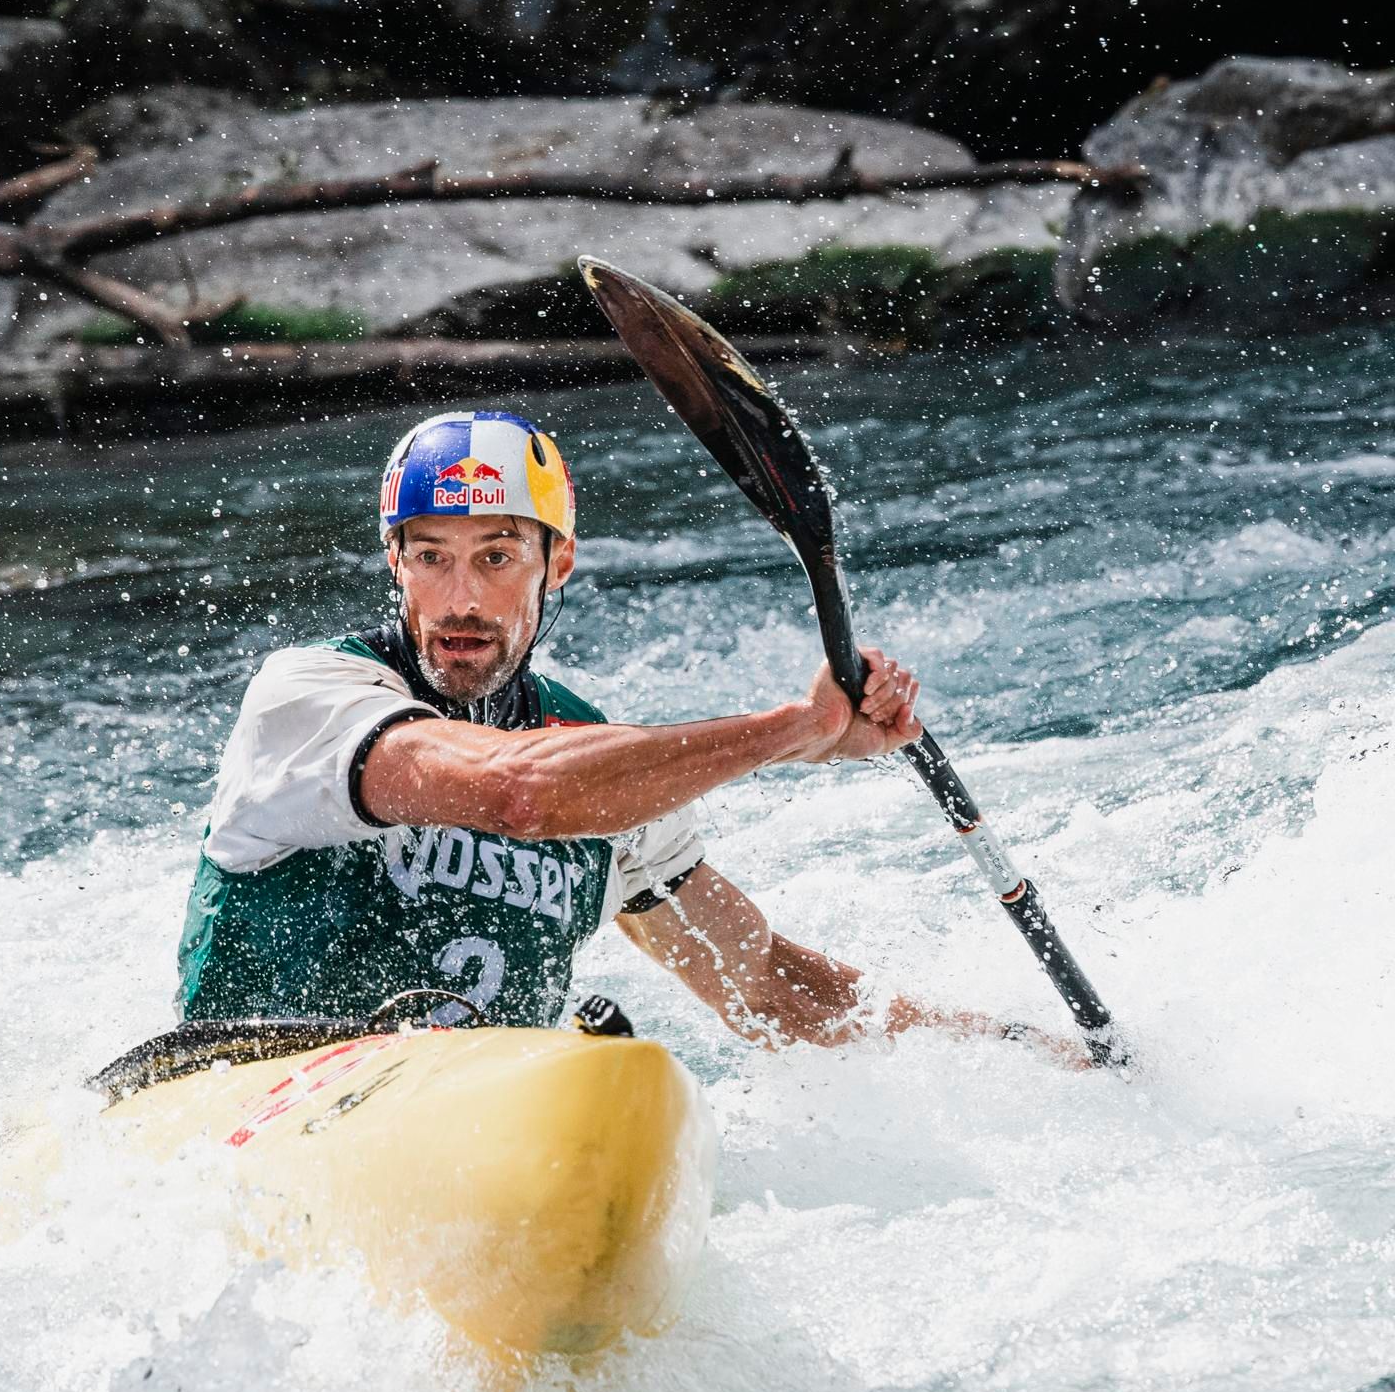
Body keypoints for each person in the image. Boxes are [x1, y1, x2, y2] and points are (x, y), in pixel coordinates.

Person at [177, 406, 1025, 1050]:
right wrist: (798, 730)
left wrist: (1013, 1049)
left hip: (492, 1132)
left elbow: (762, 982)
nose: (461, 598)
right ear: (395, 563)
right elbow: (519, 792)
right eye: (431, 556)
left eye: (497, 556)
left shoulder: (609, 771)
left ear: (559, 563)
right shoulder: (310, 698)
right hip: (250, 1100)